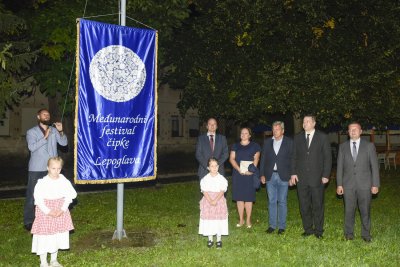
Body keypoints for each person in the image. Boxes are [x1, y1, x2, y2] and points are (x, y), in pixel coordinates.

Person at [24, 108, 68, 231]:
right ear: (39, 117)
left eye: (48, 114)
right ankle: (28, 220)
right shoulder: (31, 132)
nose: (47, 116)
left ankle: (51, 217)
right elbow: (32, 147)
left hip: (52, 169)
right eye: (44, 114)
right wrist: (45, 137)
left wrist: (61, 131)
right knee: (32, 194)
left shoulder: (54, 130)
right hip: (36, 168)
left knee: (52, 194)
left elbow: (64, 144)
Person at [336, 122, 380, 242]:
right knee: (349, 210)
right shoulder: (342, 147)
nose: (353, 131)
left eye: (355, 129)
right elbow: (339, 167)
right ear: (348, 132)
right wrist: (339, 184)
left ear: (361, 131)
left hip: (365, 184)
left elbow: (374, 167)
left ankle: (366, 235)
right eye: (350, 129)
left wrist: (375, 184)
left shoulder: (369, 146)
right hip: (348, 184)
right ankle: (349, 234)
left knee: (365, 210)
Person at [290, 115, 332, 239]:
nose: (305, 123)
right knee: (304, 205)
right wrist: (293, 173)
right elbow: (293, 157)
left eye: (308, 121)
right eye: (303, 122)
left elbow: (327, 157)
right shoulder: (297, 138)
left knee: (318, 205)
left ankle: (319, 230)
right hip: (301, 178)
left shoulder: (322, 137)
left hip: (317, 178)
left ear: (314, 123)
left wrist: (326, 175)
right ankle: (308, 229)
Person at [31, 156, 77, 267]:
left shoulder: (64, 181)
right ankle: (43, 262)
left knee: (57, 235)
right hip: (45, 212)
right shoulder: (42, 182)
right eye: (53, 168)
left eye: (58, 168)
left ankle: (54, 260)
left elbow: (71, 195)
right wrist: (48, 211)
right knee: (44, 236)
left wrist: (62, 209)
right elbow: (38, 199)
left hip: (60, 210)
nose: (56, 171)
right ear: (48, 168)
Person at [260, 121, 293, 235]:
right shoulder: (267, 142)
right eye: (274, 129)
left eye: (277, 129)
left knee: (282, 201)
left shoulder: (289, 142)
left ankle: (282, 227)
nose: (275, 131)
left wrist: (292, 175)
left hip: (284, 175)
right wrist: (262, 174)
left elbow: (292, 160)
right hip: (270, 175)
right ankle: (272, 225)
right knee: (272, 201)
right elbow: (263, 159)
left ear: (282, 131)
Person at [230, 127, 261, 228]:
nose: (243, 135)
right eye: (242, 133)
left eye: (246, 133)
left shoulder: (255, 146)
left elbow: (256, 159)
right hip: (238, 175)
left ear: (250, 135)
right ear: (240, 135)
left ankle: (248, 220)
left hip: (249, 175)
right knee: (239, 198)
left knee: (248, 198)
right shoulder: (235, 146)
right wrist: (239, 169)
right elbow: (231, 159)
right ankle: (241, 219)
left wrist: (251, 171)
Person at [199, 157, 229, 249]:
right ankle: (210, 239)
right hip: (208, 202)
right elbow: (204, 191)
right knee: (209, 220)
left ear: (218, 166)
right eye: (212, 166)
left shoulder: (222, 179)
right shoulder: (205, 179)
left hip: (218, 201)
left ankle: (219, 240)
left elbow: (222, 191)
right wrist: (210, 200)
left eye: (216, 166)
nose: (214, 168)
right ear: (208, 168)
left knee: (218, 220)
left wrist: (215, 200)